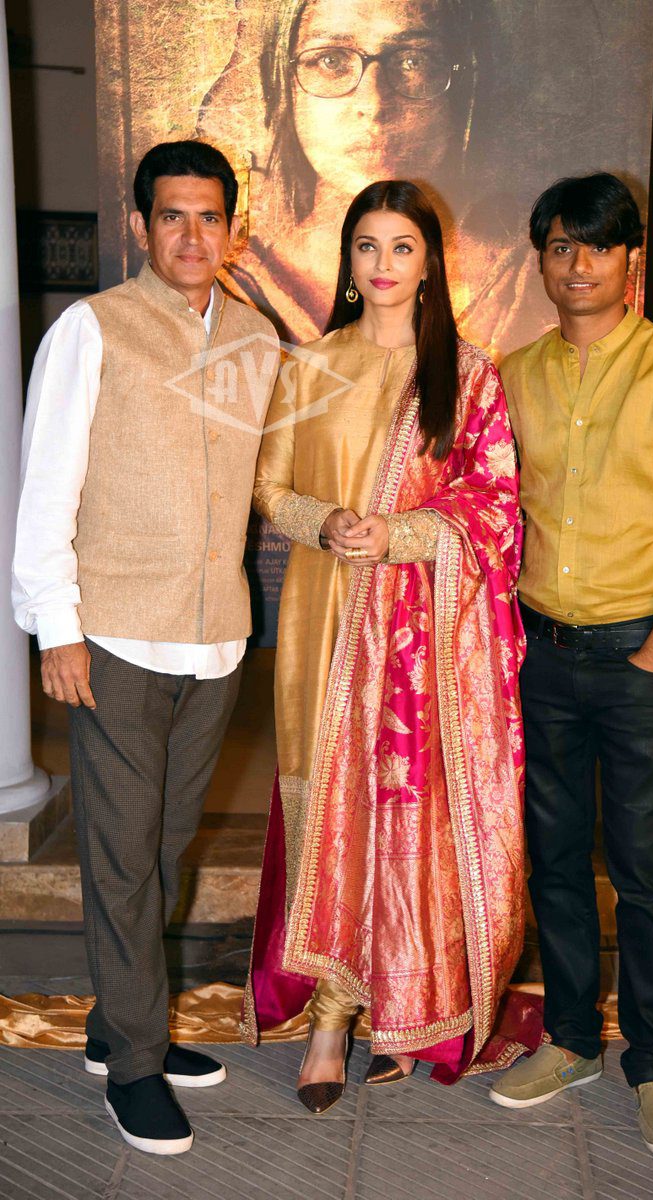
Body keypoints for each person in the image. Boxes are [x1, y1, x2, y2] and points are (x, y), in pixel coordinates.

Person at [244, 178, 543, 1113]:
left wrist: (405, 533)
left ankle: (406, 1003)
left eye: (401, 247)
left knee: (408, 816)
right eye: (366, 246)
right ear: (348, 260)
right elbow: (268, 488)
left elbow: (496, 504)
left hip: (425, 643)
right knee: (334, 812)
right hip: (325, 624)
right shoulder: (311, 365)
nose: (382, 264)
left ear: (429, 264)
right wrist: (327, 521)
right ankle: (332, 1016)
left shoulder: (468, 375)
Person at [12, 140, 279, 1154]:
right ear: (141, 226)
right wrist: (57, 626)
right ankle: (133, 1063)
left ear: (233, 231)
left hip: (215, 638)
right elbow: (47, 484)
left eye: (209, 217)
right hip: (116, 634)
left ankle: (116, 1022)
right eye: (172, 216)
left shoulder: (256, 338)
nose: (191, 235)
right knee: (124, 860)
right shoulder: (92, 329)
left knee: (163, 849)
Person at [490, 173, 653, 1155]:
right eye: (561, 246)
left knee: (643, 870)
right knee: (554, 861)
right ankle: (568, 1041)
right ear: (540, 260)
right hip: (541, 656)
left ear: (632, 257)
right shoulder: (514, 375)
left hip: (642, 658)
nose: (579, 265)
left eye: (598, 246)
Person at [196, 0, 539, 356]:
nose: (374, 105)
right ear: (282, 83)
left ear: (464, 86)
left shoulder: (524, 281)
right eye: (331, 61)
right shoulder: (224, 291)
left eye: (413, 61)